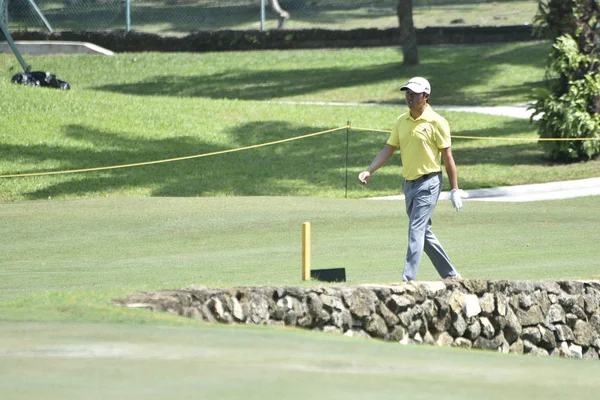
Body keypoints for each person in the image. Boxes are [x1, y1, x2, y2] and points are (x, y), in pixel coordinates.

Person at [358, 77, 464, 282]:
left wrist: (455, 189)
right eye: (407, 92)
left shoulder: (437, 122)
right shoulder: (401, 121)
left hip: (429, 182)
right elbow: (388, 150)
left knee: (416, 228)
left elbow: (448, 157)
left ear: (426, 96)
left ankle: (407, 280)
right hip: (409, 184)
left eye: (414, 93)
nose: (409, 97)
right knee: (423, 232)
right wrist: (369, 170)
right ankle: (451, 275)